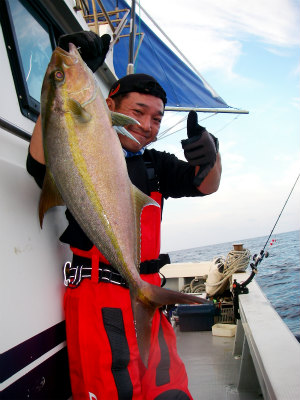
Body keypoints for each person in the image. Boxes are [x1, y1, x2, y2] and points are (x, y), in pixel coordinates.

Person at [27, 31, 221, 400]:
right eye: (137, 112)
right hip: (97, 296)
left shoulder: (154, 165)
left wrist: (211, 153)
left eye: (157, 119)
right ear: (109, 102)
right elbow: (40, 162)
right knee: (113, 392)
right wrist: (64, 88)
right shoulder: (81, 142)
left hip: (146, 288)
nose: (147, 125)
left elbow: (206, 184)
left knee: (170, 392)